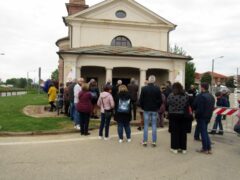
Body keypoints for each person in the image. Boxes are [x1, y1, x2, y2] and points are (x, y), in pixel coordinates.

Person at [139, 75, 162, 147]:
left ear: (148, 80)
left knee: (146, 125)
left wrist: (143, 107)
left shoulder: (144, 88)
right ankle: (154, 141)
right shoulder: (157, 89)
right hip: (154, 109)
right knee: (154, 125)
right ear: (154, 81)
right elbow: (160, 100)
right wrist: (157, 107)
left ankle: (145, 141)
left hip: (146, 109)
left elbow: (141, 100)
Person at [193, 83, 215, 154]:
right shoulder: (211, 96)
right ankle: (209, 148)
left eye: (200, 87)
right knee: (205, 132)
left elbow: (199, 108)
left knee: (203, 133)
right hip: (208, 116)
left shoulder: (201, 96)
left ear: (202, 88)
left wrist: (196, 115)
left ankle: (205, 148)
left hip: (202, 117)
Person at [167, 82, 189, 154]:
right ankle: (183, 148)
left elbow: (168, 102)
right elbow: (187, 104)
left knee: (174, 132)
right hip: (183, 115)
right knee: (183, 132)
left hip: (173, 115)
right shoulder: (185, 95)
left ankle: (174, 148)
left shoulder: (171, 95)